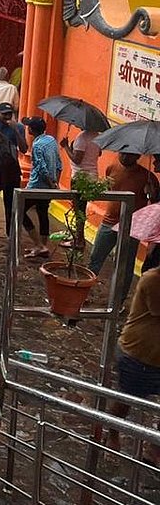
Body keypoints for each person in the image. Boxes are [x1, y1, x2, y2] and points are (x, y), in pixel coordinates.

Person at [89, 152, 160, 307]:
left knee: (125, 266)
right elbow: (107, 189)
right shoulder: (112, 167)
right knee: (95, 258)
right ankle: (84, 292)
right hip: (108, 222)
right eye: (123, 154)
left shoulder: (147, 177)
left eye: (129, 155)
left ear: (137, 156)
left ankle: (117, 303)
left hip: (131, 227)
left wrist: (151, 193)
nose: (125, 157)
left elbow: (155, 204)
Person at [106, 263, 160, 462]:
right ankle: (112, 434)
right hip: (138, 354)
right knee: (126, 400)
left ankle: (155, 447)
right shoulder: (153, 279)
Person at [0, 102, 28, 238]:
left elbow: (24, 148)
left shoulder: (19, 127)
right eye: (4, 114)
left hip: (11, 168)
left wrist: (15, 130)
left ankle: (10, 232)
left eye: (10, 114)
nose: (7, 117)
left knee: (10, 202)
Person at [24, 117, 61, 258]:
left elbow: (41, 168)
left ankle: (39, 244)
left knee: (20, 212)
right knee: (42, 212)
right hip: (49, 185)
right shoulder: (51, 140)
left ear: (31, 130)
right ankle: (43, 246)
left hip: (36, 186)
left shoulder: (37, 145)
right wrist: (55, 182)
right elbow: (59, 163)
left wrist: (51, 183)